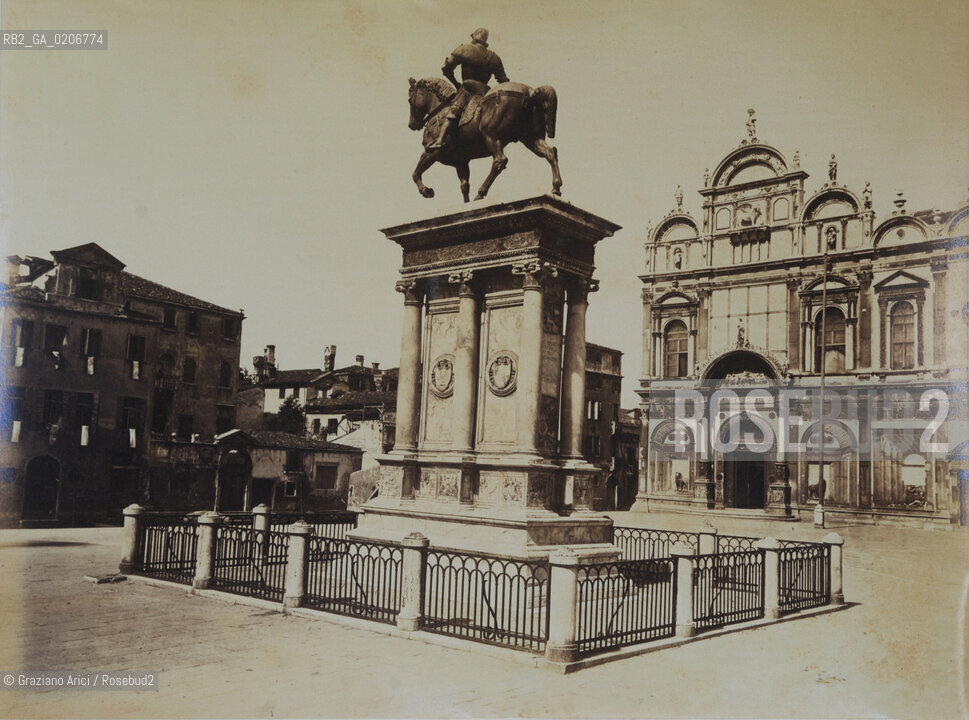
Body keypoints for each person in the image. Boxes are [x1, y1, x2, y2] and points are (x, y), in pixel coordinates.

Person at [428, 28, 510, 150]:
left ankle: (440, 140)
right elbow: (503, 80)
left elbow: (446, 68)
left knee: (453, 111)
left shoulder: (465, 48)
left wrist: (456, 83)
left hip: (468, 88)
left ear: (474, 37)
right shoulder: (494, 57)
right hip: (485, 92)